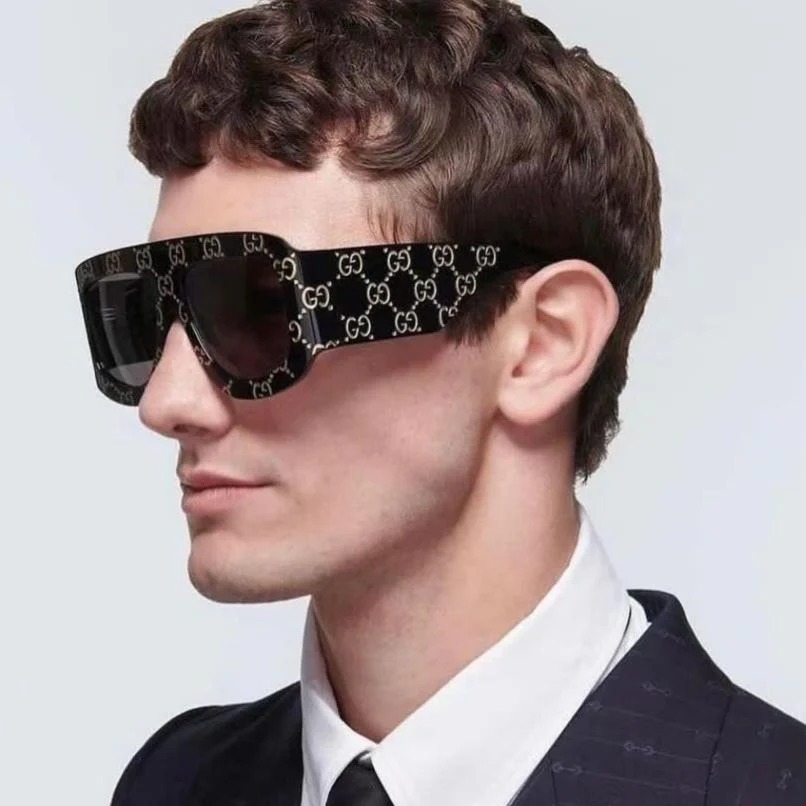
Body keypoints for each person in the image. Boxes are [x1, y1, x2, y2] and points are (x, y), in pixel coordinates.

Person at [73, 1, 806, 804]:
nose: (168, 402)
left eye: (261, 309)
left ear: (544, 343)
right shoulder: (177, 782)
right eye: (145, 316)